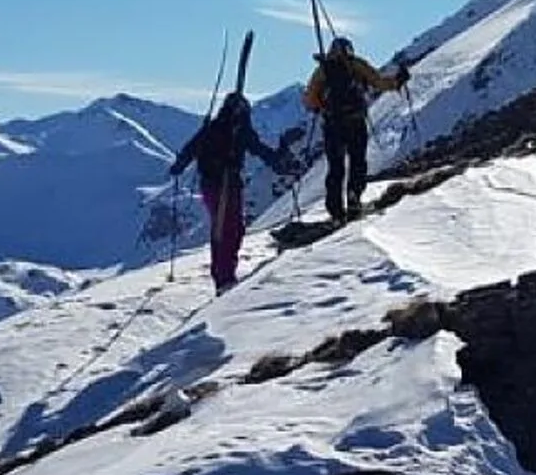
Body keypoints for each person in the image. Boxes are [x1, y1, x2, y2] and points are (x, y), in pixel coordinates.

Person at [169, 92, 285, 294]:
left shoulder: (217, 127)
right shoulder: (236, 129)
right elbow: (258, 148)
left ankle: (224, 275)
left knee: (227, 228)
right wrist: (278, 162)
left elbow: (191, 148)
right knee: (228, 229)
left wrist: (179, 165)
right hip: (223, 183)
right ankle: (224, 277)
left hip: (217, 184)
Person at [303, 37, 409, 225]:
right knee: (357, 162)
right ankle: (354, 198)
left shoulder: (323, 69)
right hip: (355, 121)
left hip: (333, 125)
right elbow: (379, 82)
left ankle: (336, 210)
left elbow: (310, 100)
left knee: (336, 168)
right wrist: (398, 81)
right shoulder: (357, 64)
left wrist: (322, 106)